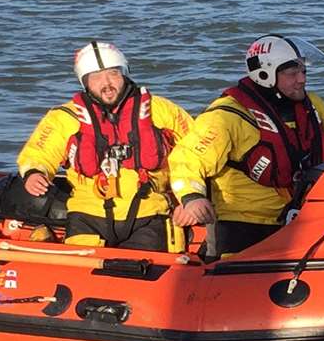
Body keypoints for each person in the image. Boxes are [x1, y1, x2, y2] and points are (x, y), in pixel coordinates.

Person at [167, 34, 324, 257]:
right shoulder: (227, 116)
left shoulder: (314, 107)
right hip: (241, 221)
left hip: (298, 216)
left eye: (303, 71)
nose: (301, 79)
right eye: (292, 73)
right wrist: (192, 198)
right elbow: (187, 159)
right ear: (265, 73)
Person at [16, 41, 194, 251]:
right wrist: (34, 173)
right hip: (87, 215)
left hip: (149, 213)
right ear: (85, 83)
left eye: (113, 74)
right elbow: (39, 151)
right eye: (96, 77)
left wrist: (190, 199)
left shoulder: (162, 110)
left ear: (125, 73)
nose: (106, 83)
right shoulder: (64, 118)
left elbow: (196, 153)